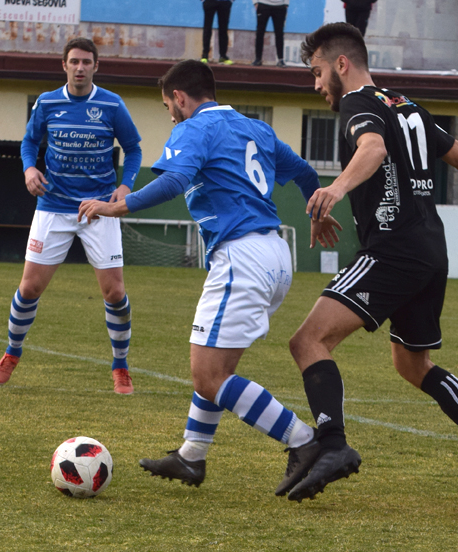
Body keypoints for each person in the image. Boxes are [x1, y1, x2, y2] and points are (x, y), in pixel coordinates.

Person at [282, 22, 458, 504]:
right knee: (413, 364)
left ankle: (332, 446)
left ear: (342, 65)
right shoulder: (406, 104)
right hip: (431, 251)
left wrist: (336, 189)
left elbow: (371, 148)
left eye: (317, 72)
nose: (316, 85)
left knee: (309, 340)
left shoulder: (358, 103)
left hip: (393, 249)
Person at [77, 60, 338, 492]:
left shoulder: (195, 128)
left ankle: (305, 441)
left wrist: (115, 207)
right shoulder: (257, 128)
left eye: (168, 106)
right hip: (274, 254)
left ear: (180, 97)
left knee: (208, 376)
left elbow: (174, 181)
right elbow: (305, 174)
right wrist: (315, 211)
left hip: (242, 256)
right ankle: (191, 457)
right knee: (216, 365)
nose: (170, 114)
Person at [0, 37, 143, 395]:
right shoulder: (46, 102)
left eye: (86, 62)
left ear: (95, 66)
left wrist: (127, 186)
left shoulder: (111, 104)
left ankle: (120, 366)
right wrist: (30, 169)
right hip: (54, 207)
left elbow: (134, 148)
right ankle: (12, 352)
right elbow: (30, 142)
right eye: (73, 61)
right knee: (29, 287)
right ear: (64, 65)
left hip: (99, 208)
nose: (79, 67)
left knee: (114, 292)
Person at [251, 0, 290, 67]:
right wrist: (255, 2)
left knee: (279, 33)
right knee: (260, 32)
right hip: (263, 3)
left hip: (279, 4)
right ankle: (258, 59)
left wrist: (286, 3)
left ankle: (280, 59)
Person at [199, 0, 236, 65]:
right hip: (210, 0)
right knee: (207, 28)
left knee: (223, 29)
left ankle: (223, 56)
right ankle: (205, 55)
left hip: (225, 1)